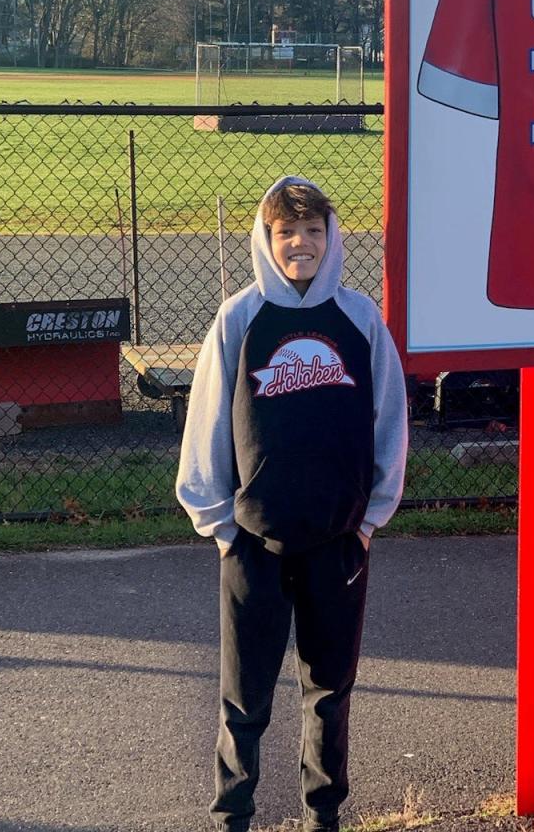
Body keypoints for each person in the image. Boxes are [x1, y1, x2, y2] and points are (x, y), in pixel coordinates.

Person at [176, 175, 408, 832]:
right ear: (266, 239)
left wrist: (368, 520)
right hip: (253, 538)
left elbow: (389, 420)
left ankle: (322, 817)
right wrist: (220, 525)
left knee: (329, 694)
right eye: (287, 233)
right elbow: (209, 424)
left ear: (331, 240)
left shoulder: (360, 319)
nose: (300, 243)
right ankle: (232, 816)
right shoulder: (241, 318)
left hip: (337, 541)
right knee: (244, 698)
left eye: (313, 232)